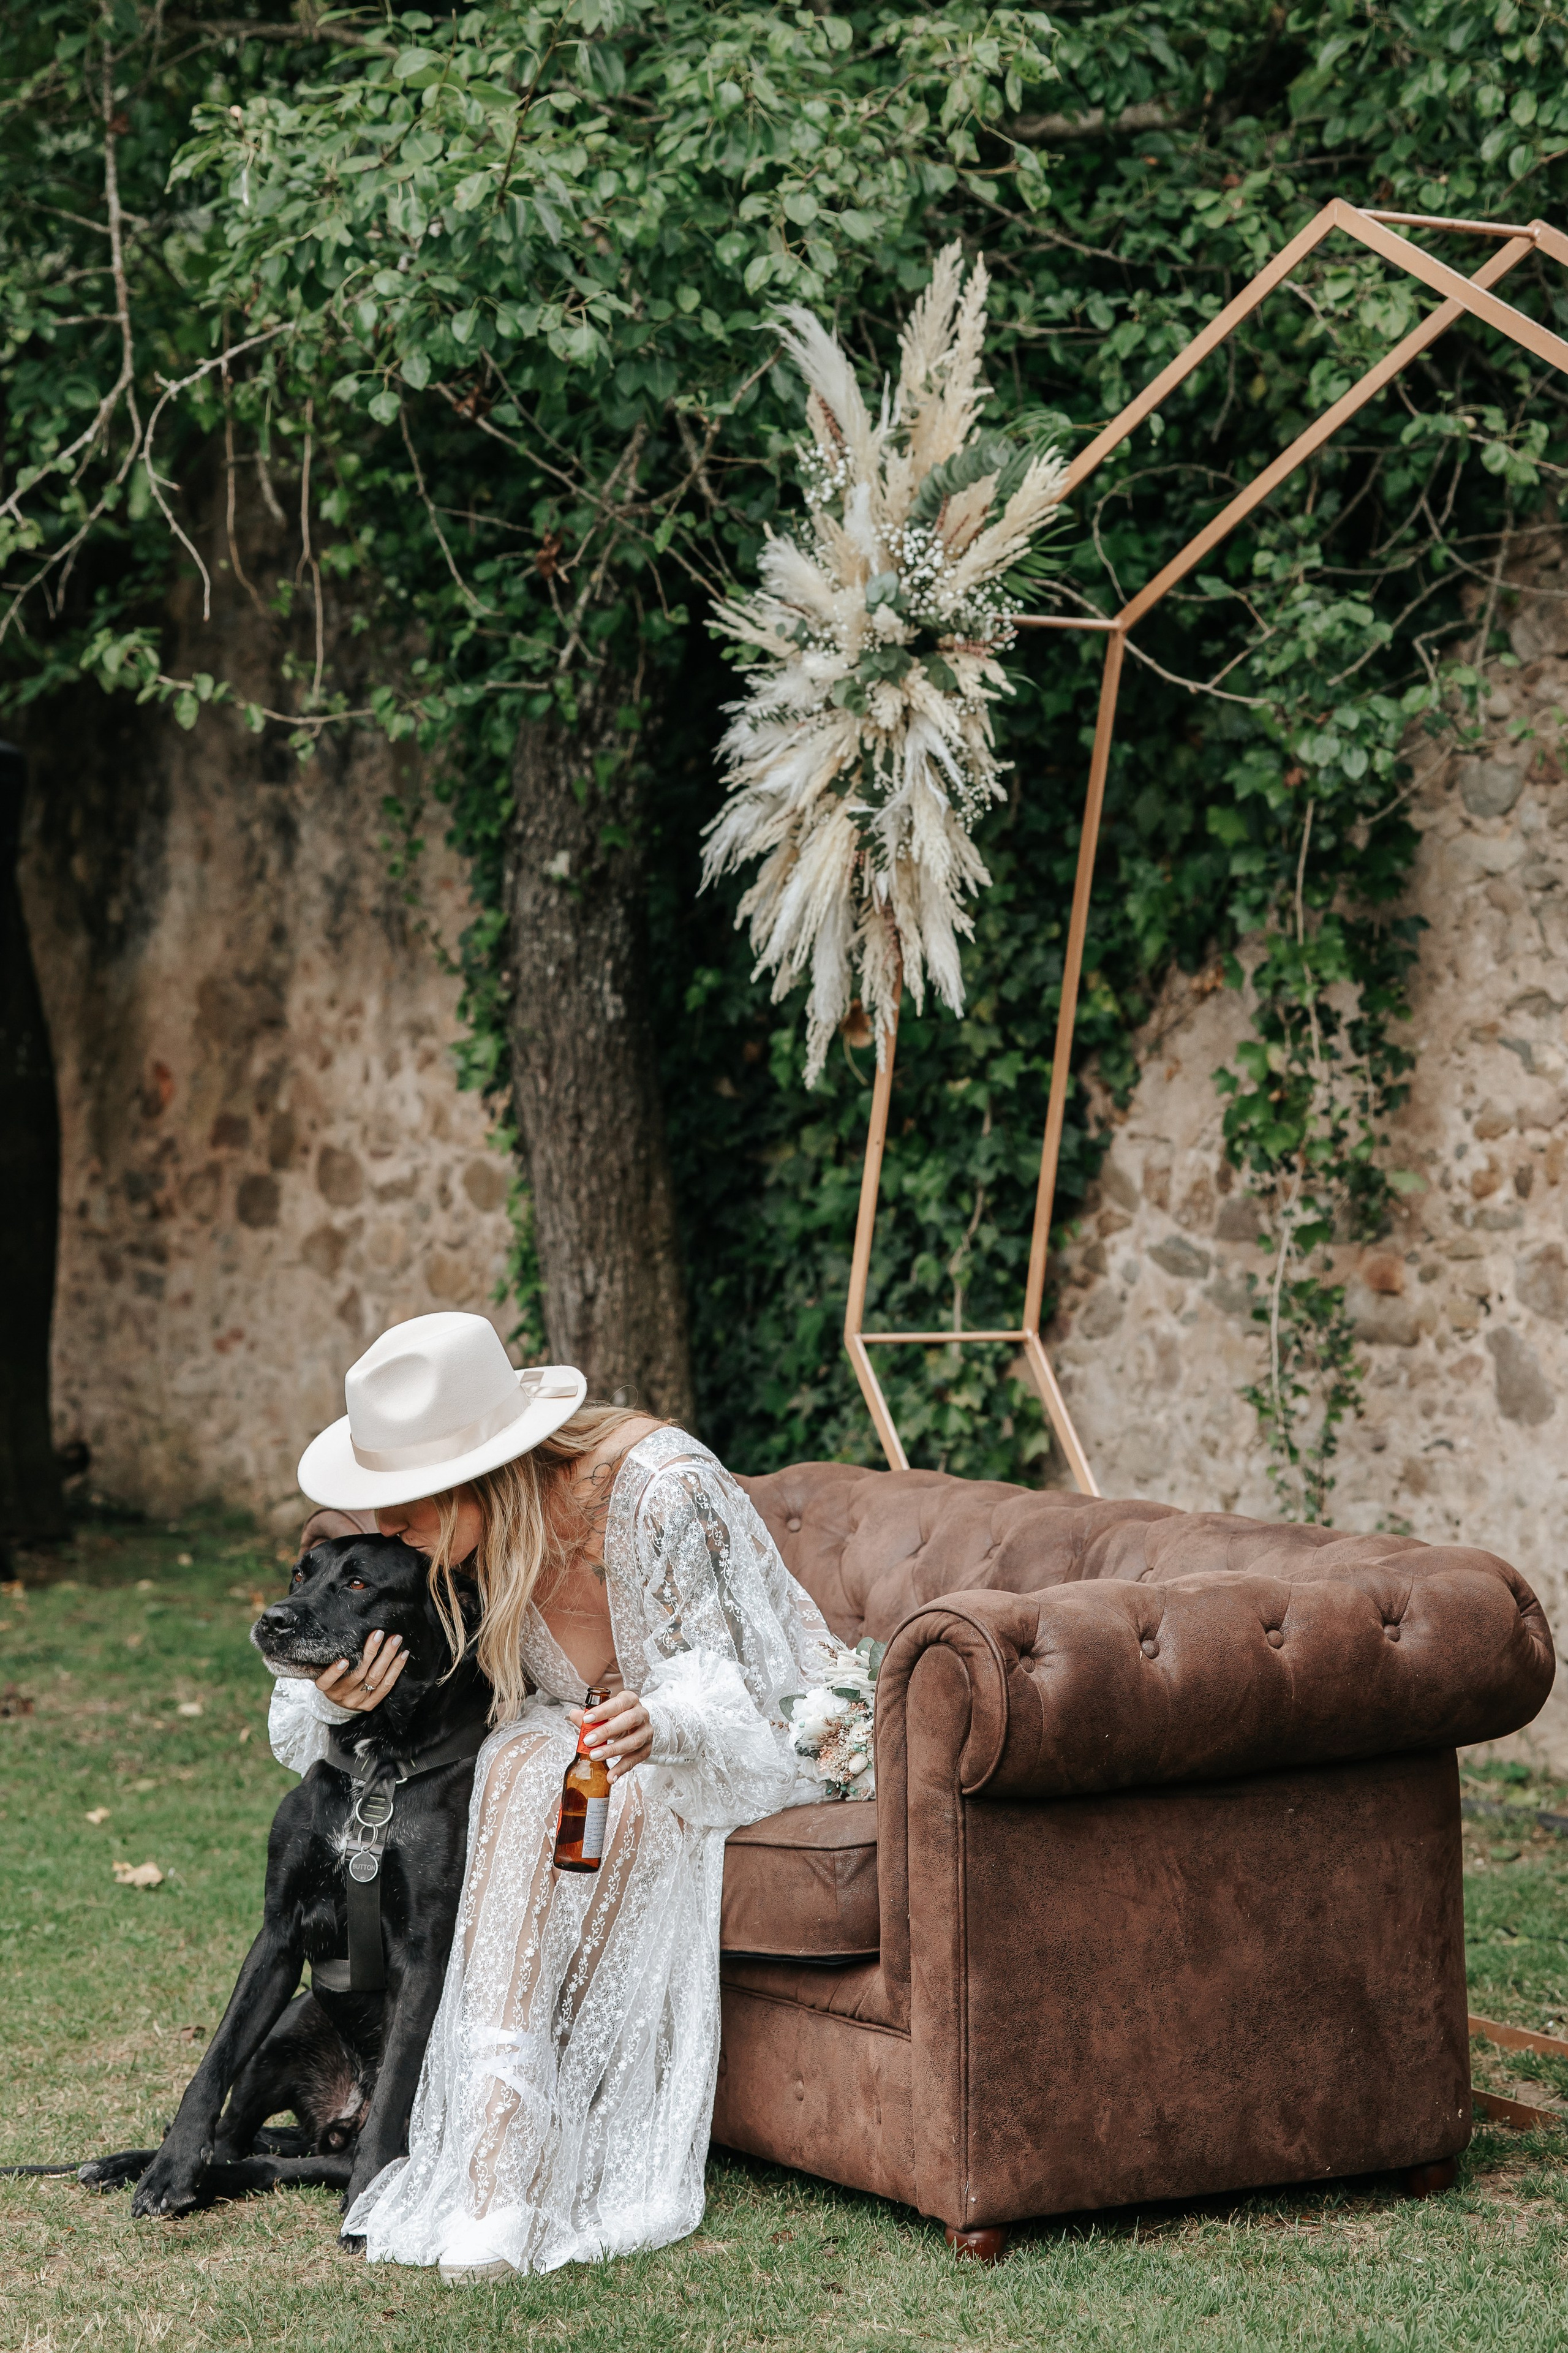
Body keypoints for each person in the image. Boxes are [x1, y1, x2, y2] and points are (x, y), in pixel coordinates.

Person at [270, 1311, 842, 2284]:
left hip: (730, 1752)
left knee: (553, 1769)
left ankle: (517, 2174)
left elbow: (757, 1699)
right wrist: (330, 1693)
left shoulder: (664, 1490)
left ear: (483, 1473)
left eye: (406, 1511)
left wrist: (667, 1723)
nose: (392, 1536)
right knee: (523, 1763)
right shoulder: (469, 1545)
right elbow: (364, 1698)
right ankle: (499, 2156)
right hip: (583, 1759)